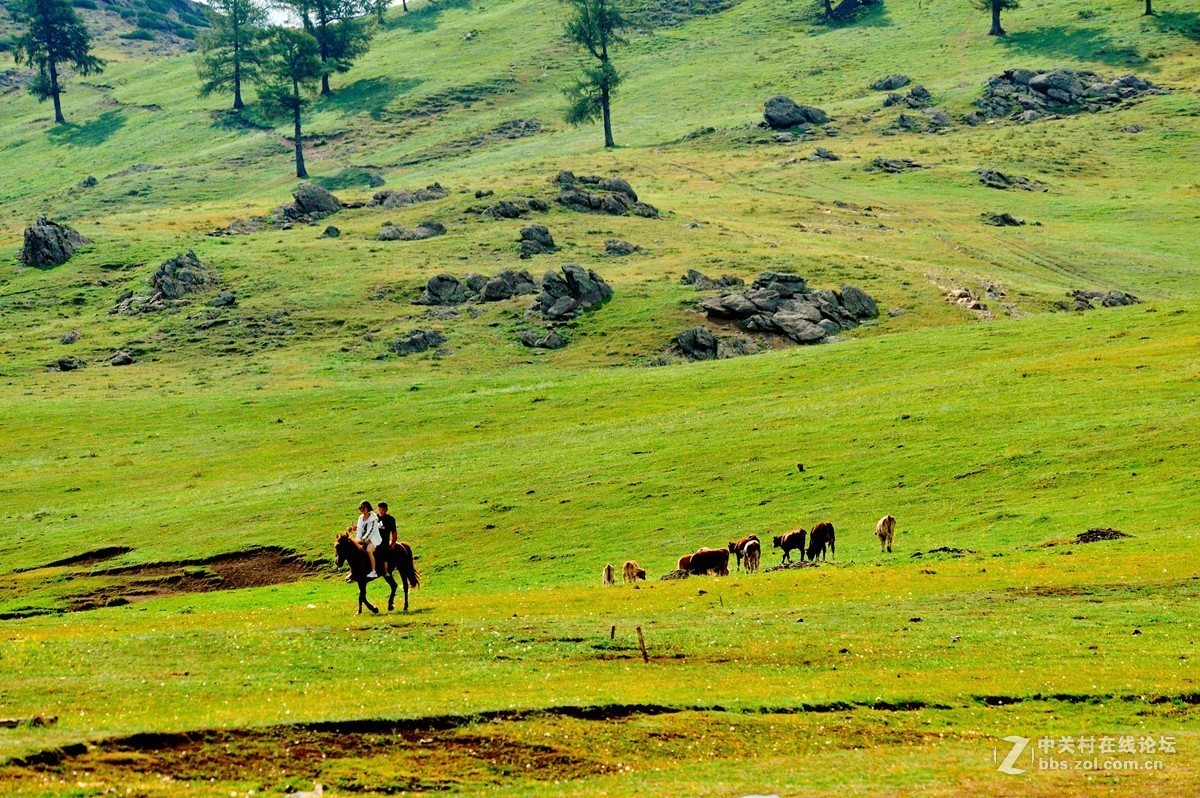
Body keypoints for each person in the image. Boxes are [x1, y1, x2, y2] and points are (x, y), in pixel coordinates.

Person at [346, 500, 381, 580]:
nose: (361, 509)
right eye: (360, 508)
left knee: (369, 550)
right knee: (355, 552)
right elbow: (360, 529)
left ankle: (373, 571)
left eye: (363, 507)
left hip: (373, 540)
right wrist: (355, 532)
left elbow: (371, 531)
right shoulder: (361, 518)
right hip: (363, 540)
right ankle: (354, 572)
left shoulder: (373, 518)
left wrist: (364, 539)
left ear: (368, 508)